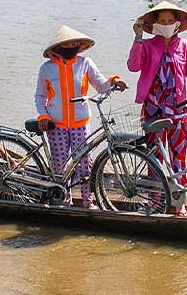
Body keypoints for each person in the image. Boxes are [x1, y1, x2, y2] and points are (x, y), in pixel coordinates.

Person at [127, 0, 187, 216]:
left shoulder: (184, 46)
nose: (167, 23)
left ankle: (180, 205)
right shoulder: (148, 45)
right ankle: (155, 203)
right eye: (163, 20)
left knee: (178, 157)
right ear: (156, 23)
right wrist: (138, 37)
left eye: (171, 20)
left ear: (177, 23)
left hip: (178, 109)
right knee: (155, 159)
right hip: (153, 109)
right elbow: (133, 67)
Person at [35, 26, 127, 208]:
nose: (73, 46)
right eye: (69, 43)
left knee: (85, 164)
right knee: (61, 166)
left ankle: (88, 201)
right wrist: (43, 115)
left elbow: (100, 85)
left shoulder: (85, 63)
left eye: (75, 43)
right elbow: (40, 96)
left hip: (80, 123)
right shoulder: (47, 69)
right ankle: (64, 202)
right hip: (56, 124)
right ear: (59, 46)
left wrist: (113, 81)